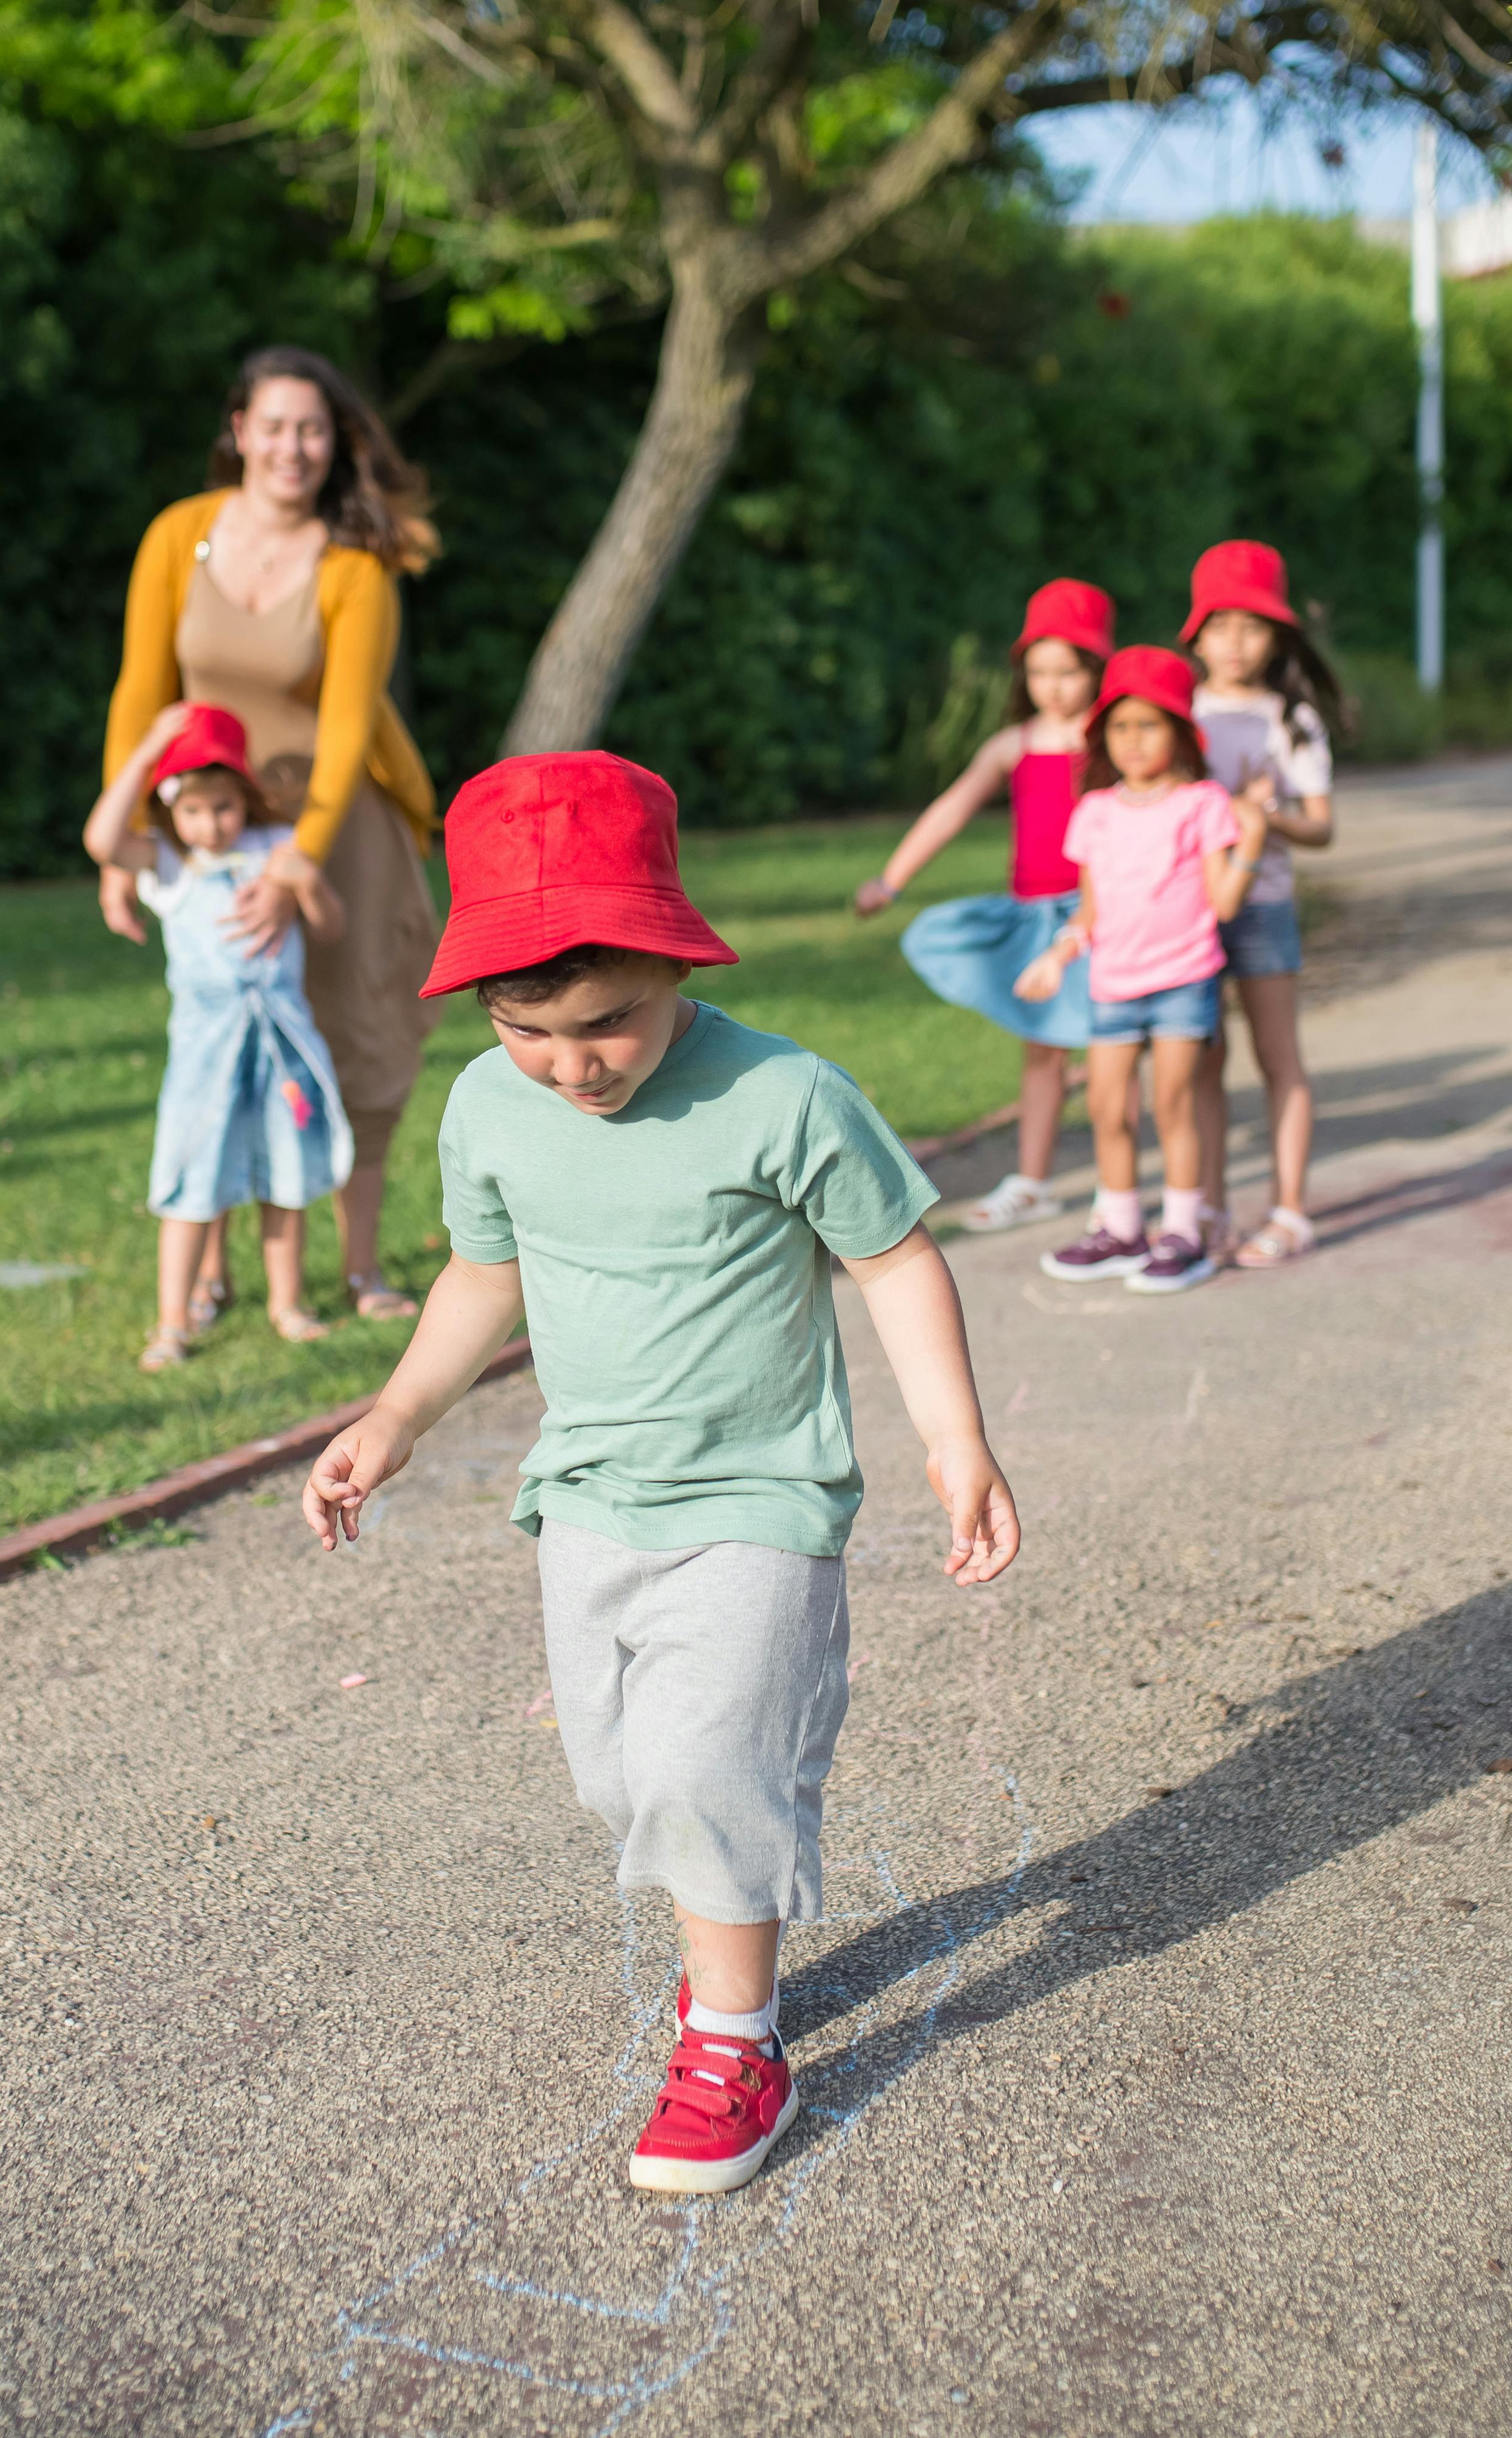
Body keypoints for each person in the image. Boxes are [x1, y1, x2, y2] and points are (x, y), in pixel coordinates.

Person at [302, 750, 1022, 2198]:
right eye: (526, 1028)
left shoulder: (781, 1094)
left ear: (674, 953)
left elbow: (892, 1254)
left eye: (609, 1020)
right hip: (586, 1502)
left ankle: (734, 2038)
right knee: (619, 1774)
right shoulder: (489, 1113)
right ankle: (726, 1924)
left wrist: (954, 1438)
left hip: (760, 1499)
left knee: (704, 1769)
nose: (573, 1062)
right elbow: (476, 1276)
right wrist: (395, 1416)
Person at [102, 345, 442, 1328]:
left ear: (335, 445)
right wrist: (128, 840)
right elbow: (142, 690)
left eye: (314, 429)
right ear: (239, 431)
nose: (294, 446)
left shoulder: (354, 564)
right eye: (276, 425)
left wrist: (303, 855)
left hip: (339, 836)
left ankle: (361, 1270)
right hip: (213, 834)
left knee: (354, 1040)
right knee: (223, 1042)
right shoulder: (179, 536)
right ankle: (206, 1279)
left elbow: (345, 728)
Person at [84, 703, 355, 1371]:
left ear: (246, 799)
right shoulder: (168, 867)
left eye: (225, 806)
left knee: (284, 1177)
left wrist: (308, 883)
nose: (211, 823)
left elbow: (330, 928)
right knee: (193, 1177)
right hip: (206, 1056)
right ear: (171, 810)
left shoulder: (277, 848)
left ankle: (287, 1303)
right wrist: (146, 751)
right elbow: (100, 840)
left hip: (282, 1045)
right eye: (195, 809)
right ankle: (172, 1320)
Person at [852, 580, 1113, 1231]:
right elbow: (951, 809)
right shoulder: (1014, 743)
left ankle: (1120, 1187)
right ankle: (1033, 1181)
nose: (1053, 684)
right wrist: (892, 879)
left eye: (1070, 670)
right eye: (1039, 669)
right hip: (1034, 918)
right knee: (1042, 1051)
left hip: (1101, 917)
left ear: (1098, 667)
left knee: (1115, 1053)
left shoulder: (1117, 739)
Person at [1018, 647, 1265, 1294]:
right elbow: (1091, 907)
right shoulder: (1094, 811)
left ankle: (1182, 1230)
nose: (1132, 740)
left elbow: (1222, 903)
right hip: (1112, 985)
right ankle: (1122, 1227)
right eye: (1119, 726)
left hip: (1183, 980)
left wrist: (1252, 844)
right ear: (1103, 737)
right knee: (1105, 1107)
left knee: (1172, 1104)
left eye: (1149, 724)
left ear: (1181, 733)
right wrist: (1057, 953)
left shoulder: (1201, 803)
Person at [1182, 541, 1344, 1269]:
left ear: (1277, 635)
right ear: (1196, 632)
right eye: (1220, 626)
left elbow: (1322, 825)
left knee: (1279, 1057)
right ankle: (1208, 1207)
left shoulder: (1293, 721)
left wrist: (1265, 817)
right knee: (1201, 1063)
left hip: (1266, 904)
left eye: (1251, 627)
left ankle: (1289, 1210)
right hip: (1187, 912)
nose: (1235, 643)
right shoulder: (1177, 711)